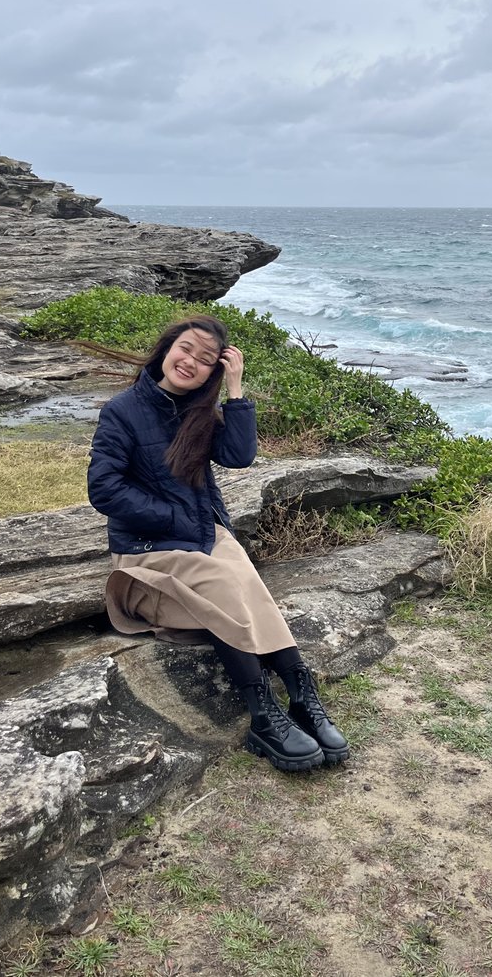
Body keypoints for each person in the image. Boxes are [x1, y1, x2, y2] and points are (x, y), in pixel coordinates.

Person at [87, 314, 349, 773]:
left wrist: (236, 392)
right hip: (147, 548)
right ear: (167, 349)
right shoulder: (122, 411)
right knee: (225, 582)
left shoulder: (199, 412)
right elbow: (104, 489)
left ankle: (302, 696)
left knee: (245, 577)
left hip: (202, 534)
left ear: (213, 371)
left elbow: (238, 456)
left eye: (206, 360)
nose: (190, 362)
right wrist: (176, 518)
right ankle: (264, 716)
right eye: (185, 349)